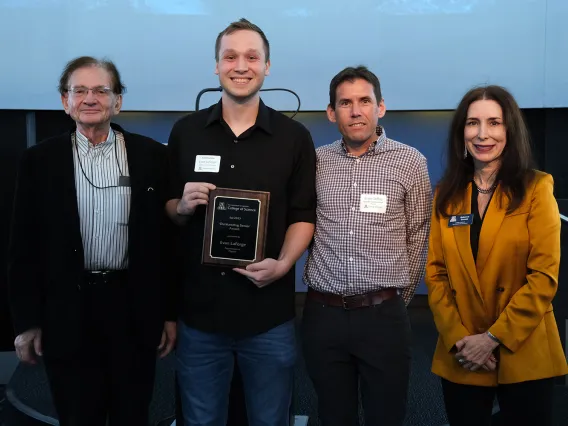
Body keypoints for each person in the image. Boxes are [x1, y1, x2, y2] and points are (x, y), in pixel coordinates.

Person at [8, 56, 177, 426]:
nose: (90, 98)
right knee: (77, 415)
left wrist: (168, 313)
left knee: (131, 414)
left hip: (132, 309)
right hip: (66, 311)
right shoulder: (38, 160)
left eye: (101, 90)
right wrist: (26, 321)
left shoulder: (153, 156)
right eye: (79, 90)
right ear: (64, 101)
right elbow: (23, 248)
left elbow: (165, 245)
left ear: (118, 101)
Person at [165, 18, 316, 426]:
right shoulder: (185, 132)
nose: (241, 65)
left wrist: (284, 265)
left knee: (270, 420)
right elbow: (167, 206)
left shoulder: (293, 138)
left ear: (268, 66)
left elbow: (304, 214)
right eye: (230, 56)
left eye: (252, 57)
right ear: (216, 66)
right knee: (200, 421)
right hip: (199, 317)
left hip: (267, 316)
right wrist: (181, 206)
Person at [425, 85, 568, 426]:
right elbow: (436, 273)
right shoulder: (446, 194)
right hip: (463, 351)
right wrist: (462, 340)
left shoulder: (536, 188)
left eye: (494, 123)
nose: (483, 134)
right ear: (462, 132)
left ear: (510, 130)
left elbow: (543, 278)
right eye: (473, 123)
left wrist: (491, 339)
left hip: (524, 347)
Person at [302, 66, 432, 426]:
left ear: (381, 107)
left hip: (383, 316)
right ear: (331, 113)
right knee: (333, 414)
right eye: (345, 102)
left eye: (364, 101)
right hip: (322, 314)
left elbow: (417, 236)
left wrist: (393, 301)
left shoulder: (410, 161)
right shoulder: (315, 162)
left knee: (386, 415)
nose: (355, 111)